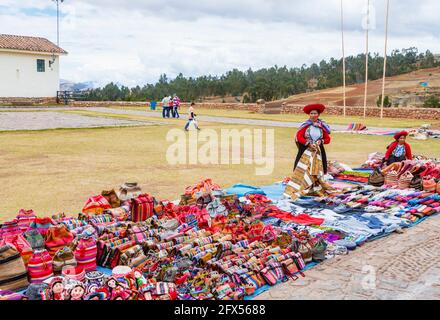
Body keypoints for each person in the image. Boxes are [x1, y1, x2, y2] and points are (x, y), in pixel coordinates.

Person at [284, 104, 333, 200]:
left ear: (318, 114)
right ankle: (302, 186)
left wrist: (321, 141)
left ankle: (314, 186)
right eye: (311, 113)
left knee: (317, 169)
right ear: (309, 114)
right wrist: (308, 144)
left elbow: (327, 139)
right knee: (304, 169)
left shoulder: (322, 126)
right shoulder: (305, 125)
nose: (313, 115)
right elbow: (299, 137)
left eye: (315, 113)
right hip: (306, 150)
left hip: (318, 151)